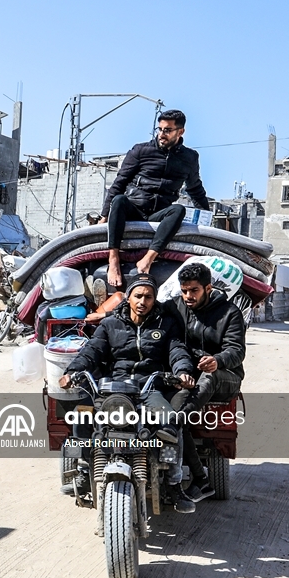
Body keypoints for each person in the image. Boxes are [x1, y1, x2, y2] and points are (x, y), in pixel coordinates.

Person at [59, 274, 199, 513]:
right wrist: (72, 371)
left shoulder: (165, 324)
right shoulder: (110, 324)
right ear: (129, 298)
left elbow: (177, 351)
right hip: (114, 387)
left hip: (149, 386)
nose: (143, 301)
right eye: (138, 296)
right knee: (82, 417)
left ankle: (175, 484)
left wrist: (183, 371)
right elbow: (91, 351)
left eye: (148, 297)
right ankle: (83, 469)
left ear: (155, 300)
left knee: (170, 422)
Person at [99, 110, 211, 289]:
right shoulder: (141, 150)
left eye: (167, 130)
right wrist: (104, 215)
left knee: (178, 210)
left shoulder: (189, 158)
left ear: (180, 132)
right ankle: (113, 260)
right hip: (134, 208)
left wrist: (207, 218)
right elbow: (119, 182)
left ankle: (147, 260)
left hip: (159, 214)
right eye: (159, 129)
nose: (161, 134)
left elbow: (195, 189)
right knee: (119, 200)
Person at [165, 263, 246, 504]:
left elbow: (236, 350)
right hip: (188, 375)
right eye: (184, 290)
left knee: (207, 381)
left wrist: (218, 360)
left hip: (225, 376)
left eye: (194, 291)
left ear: (208, 288)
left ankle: (176, 421)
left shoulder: (230, 313)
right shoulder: (175, 307)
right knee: (171, 405)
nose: (188, 296)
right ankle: (201, 481)